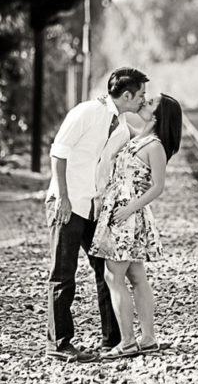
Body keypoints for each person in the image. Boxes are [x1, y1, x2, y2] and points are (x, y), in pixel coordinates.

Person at [45, 67, 148, 363]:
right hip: (67, 203)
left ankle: (112, 340)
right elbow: (58, 152)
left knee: (108, 271)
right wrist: (63, 198)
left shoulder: (119, 124)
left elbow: (146, 143)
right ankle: (59, 344)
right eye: (141, 95)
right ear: (126, 95)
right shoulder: (86, 112)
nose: (143, 100)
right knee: (63, 275)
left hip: (92, 207)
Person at [91, 93, 182, 359]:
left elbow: (158, 187)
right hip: (121, 210)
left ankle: (128, 341)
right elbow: (117, 119)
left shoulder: (155, 146)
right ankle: (148, 339)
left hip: (127, 215)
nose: (144, 102)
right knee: (136, 277)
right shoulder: (137, 136)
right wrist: (106, 104)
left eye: (150, 102)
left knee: (113, 276)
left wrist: (129, 209)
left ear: (158, 115)